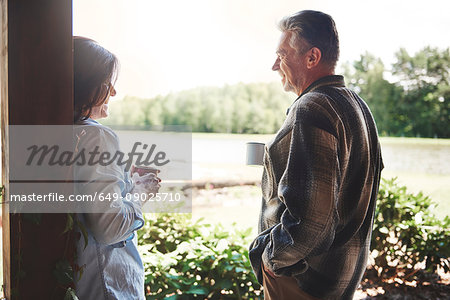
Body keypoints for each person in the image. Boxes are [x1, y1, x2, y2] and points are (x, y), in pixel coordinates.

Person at [248, 10, 383, 300]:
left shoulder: (311, 108)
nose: (274, 65)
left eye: (282, 55)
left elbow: (311, 219)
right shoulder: (358, 105)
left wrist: (271, 257)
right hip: (339, 282)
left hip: (303, 282)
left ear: (312, 58)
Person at [72, 36, 160, 299]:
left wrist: (124, 182)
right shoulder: (96, 136)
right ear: (86, 85)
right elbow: (109, 229)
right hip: (105, 286)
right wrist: (140, 193)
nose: (113, 92)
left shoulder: (52, 132)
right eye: (107, 83)